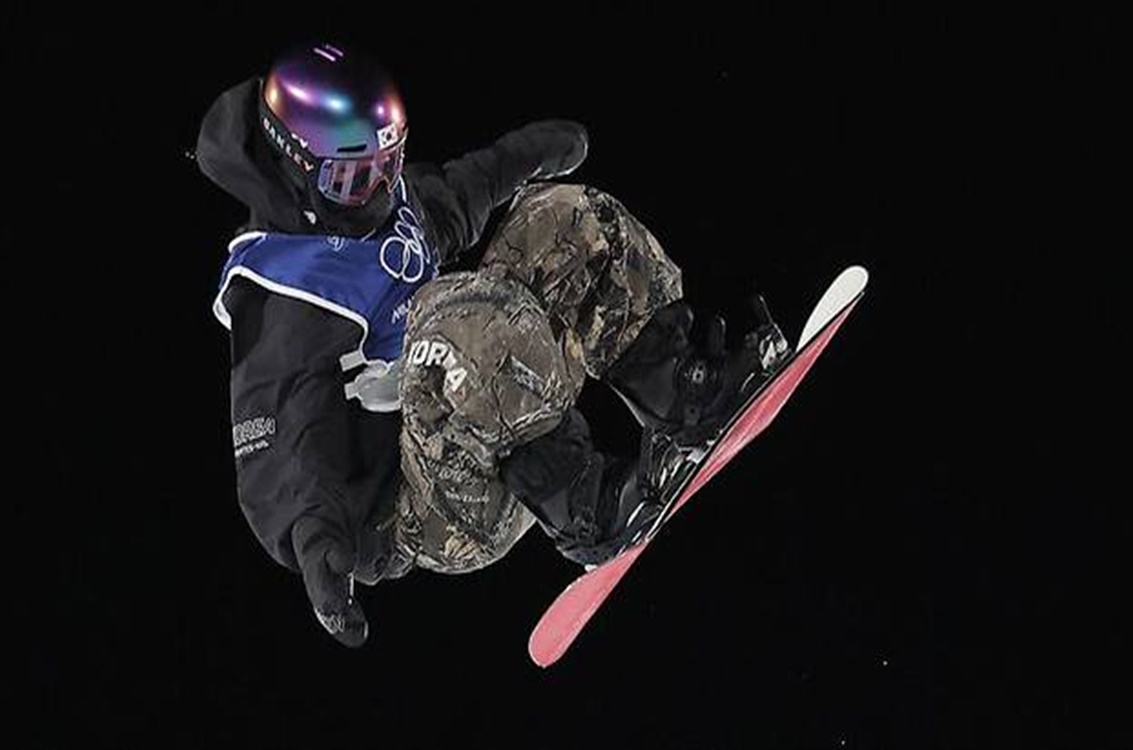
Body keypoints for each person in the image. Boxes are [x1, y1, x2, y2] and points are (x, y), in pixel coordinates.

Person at [196, 40, 786, 648]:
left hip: (488, 409)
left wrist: (519, 156)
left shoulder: (384, 205)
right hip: (429, 505)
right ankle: (585, 507)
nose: (376, 193)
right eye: (352, 179)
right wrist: (317, 543)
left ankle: (682, 392)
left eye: (388, 167)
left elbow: (456, 195)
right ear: (296, 169)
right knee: (451, 317)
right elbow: (275, 437)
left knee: (564, 219)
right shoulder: (280, 292)